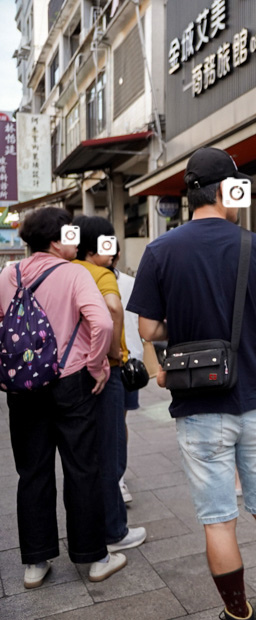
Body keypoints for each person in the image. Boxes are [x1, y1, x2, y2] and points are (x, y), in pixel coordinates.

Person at [129, 147, 256, 620]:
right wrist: (245, 323)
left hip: (200, 406)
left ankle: (237, 614)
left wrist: (186, 327)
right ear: (228, 190)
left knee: (218, 519)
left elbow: (148, 330)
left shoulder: (161, 251)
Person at [0, 207, 126, 588]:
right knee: (82, 468)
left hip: (23, 387)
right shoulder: (75, 273)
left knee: (32, 471)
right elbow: (102, 321)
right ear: (56, 241)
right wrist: (96, 363)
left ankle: (35, 563)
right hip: (70, 381)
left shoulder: (8, 274)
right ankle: (94, 558)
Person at [72, 216, 148, 556]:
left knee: (83, 456)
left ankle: (88, 529)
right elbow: (113, 309)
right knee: (110, 451)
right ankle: (115, 530)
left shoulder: (67, 271)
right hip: (106, 370)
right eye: (108, 245)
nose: (114, 252)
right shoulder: (100, 274)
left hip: (70, 376)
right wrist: (113, 351)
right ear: (94, 247)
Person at [111, 243, 143, 504]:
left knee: (120, 420)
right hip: (94, 362)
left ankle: (118, 477)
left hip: (128, 362)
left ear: (118, 253)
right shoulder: (83, 279)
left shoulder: (132, 283)